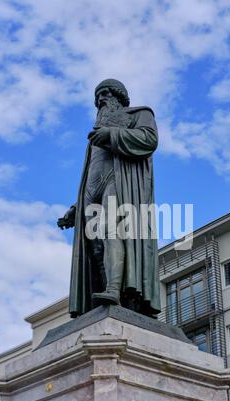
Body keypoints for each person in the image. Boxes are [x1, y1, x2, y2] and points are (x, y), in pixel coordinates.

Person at [58, 79, 160, 319]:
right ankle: (107, 294)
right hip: (92, 190)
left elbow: (149, 139)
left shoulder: (140, 114)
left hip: (120, 181)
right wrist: (76, 206)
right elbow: (90, 173)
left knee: (110, 229)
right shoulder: (94, 139)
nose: (100, 99)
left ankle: (115, 289)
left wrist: (112, 133)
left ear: (119, 97)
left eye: (106, 93)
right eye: (97, 96)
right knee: (95, 246)